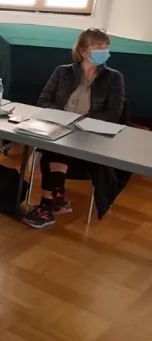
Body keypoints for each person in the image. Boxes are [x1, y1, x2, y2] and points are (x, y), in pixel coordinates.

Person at [23, 28, 126, 229]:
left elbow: (114, 113)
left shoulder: (114, 78)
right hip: (60, 128)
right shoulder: (62, 72)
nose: (104, 51)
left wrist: (81, 122)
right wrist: (65, 119)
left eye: (106, 46)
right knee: (56, 144)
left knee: (52, 151)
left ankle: (49, 203)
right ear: (83, 50)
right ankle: (55, 199)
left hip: (91, 135)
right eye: (99, 46)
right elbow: (43, 100)